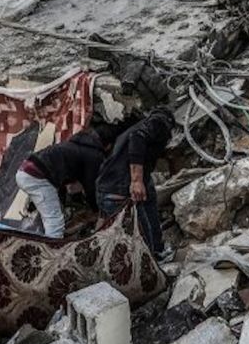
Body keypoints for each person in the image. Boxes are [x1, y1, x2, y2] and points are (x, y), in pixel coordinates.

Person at [96, 107, 174, 261]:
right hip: (119, 187)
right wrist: (136, 181)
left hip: (110, 185)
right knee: (139, 231)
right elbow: (138, 138)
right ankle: (150, 263)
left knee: (150, 210)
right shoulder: (159, 122)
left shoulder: (142, 125)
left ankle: (157, 252)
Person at [15, 124, 119, 238]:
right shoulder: (94, 154)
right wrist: (96, 209)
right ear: (109, 145)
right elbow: (91, 186)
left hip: (25, 171)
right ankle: (52, 252)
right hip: (37, 177)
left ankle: (41, 242)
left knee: (51, 215)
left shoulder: (75, 144)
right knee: (55, 222)